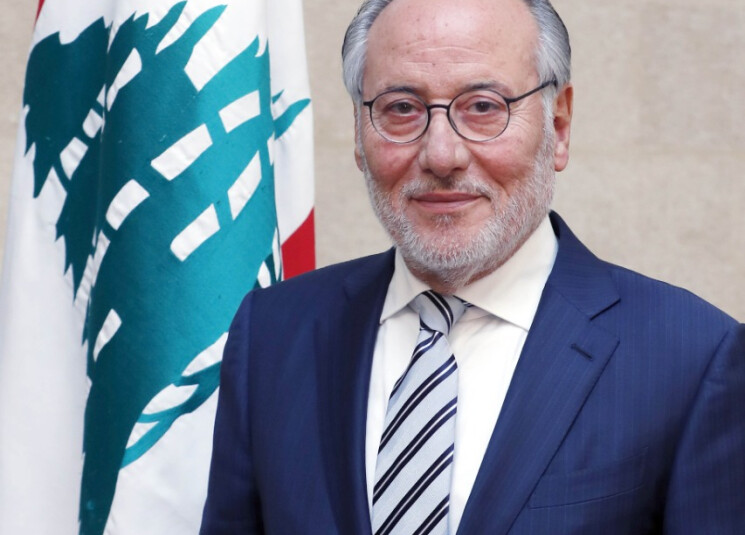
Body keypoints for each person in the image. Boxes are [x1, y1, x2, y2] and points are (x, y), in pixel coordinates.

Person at [200, 0, 745, 533]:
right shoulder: (272, 335)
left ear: (558, 126)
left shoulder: (694, 360)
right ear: (360, 135)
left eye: (484, 107)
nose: (442, 155)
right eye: (401, 108)